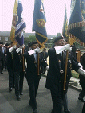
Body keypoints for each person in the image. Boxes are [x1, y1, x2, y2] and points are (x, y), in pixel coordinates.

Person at [45, 35, 85, 113]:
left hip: (64, 81)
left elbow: (74, 63)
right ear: (55, 43)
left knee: (60, 100)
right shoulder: (52, 51)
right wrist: (64, 48)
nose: (63, 42)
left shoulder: (68, 53)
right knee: (58, 103)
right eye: (61, 41)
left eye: (64, 41)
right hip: (54, 82)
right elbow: (53, 52)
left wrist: (82, 72)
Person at [24, 41, 41, 113]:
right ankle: (34, 106)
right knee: (32, 89)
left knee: (35, 89)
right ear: (31, 47)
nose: (36, 46)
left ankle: (31, 101)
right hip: (30, 74)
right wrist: (33, 51)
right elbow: (24, 55)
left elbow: (43, 59)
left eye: (37, 45)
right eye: (34, 45)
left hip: (37, 74)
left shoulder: (39, 53)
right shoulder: (29, 53)